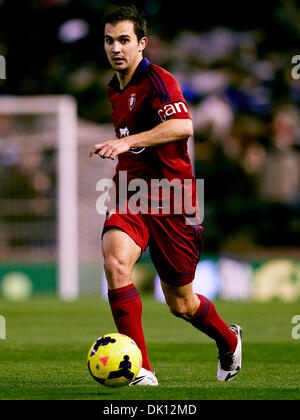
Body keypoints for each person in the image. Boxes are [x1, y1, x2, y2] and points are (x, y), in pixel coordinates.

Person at [90, 5, 242, 385]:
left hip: (172, 198)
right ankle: (141, 369)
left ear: (141, 43)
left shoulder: (158, 81)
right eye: (109, 40)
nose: (116, 48)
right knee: (114, 262)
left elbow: (183, 125)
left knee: (181, 303)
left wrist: (129, 143)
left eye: (124, 40)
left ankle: (228, 339)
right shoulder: (114, 87)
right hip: (131, 192)